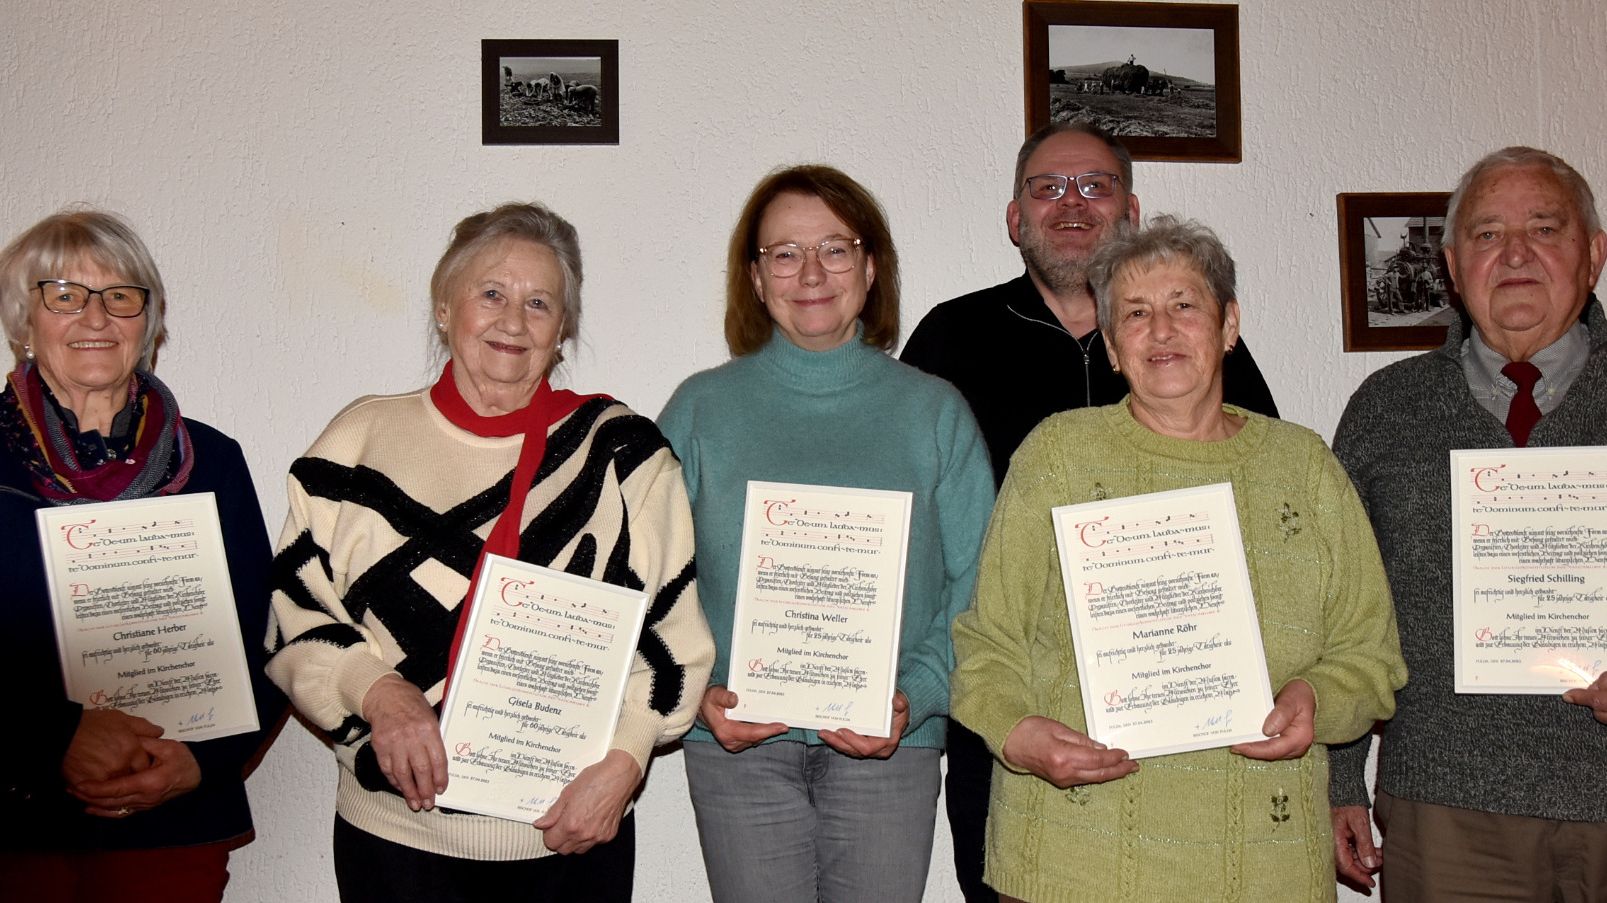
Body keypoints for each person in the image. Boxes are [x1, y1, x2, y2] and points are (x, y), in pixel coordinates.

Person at [264, 202, 714, 903]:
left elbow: (671, 632)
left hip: (569, 835)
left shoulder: (623, 455)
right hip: (396, 842)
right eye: (491, 293)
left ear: (562, 329)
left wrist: (626, 759)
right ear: (445, 308)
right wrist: (378, 689)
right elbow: (294, 612)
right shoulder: (357, 443)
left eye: (540, 303)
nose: (513, 320)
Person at [951, 215, 1406, 902]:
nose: (1159, 330)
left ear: (1228, 326)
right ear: (1110, 345)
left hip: (1262, 865)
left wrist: (1317, 698)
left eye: (1183, 305)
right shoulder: (1057, 455)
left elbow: (1371, 655)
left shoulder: (1302, 465)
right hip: (1074, 862)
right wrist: (1017, 734)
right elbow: (987, 645)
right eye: (1134, 312)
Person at [900, 120, 1279, 903]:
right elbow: (900, 522)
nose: (1071, 204)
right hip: (1009, 709)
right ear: (1015, 218)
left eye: (1094, 186)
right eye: (1047, 188)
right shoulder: (950, 338)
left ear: (1130, 210)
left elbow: (1266, 510)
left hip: (1180, 700)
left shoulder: (1191, 344)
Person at [658, 164, 994, 903]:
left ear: (870, 267)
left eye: (835, 249)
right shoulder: (700, 409)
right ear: (754, 276)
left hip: (892, 746)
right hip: (737, 745)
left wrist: (915, 694)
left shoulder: (933, 412)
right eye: (784, 253)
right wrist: (697, 693)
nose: (810, 272)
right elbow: (649, 580)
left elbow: (979, 586)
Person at [1329, 147, 1607, 901]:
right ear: (1452, 266)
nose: (1514, 253)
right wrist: (1338, 777)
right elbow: (1343, 609)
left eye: (1544, 228)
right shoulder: (1386, 409)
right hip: (1443, 806)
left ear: (1593, 254)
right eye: (1486, 235)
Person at [0, 209, 283, 902]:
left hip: (174, 821)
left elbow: (270, 637)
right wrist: (55, 739)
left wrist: (202, 763)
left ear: (149, 322)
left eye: (121, 296)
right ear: (23, 320)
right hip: (15, 821)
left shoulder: (212, 459)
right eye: (64, 293)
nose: (95, 316)